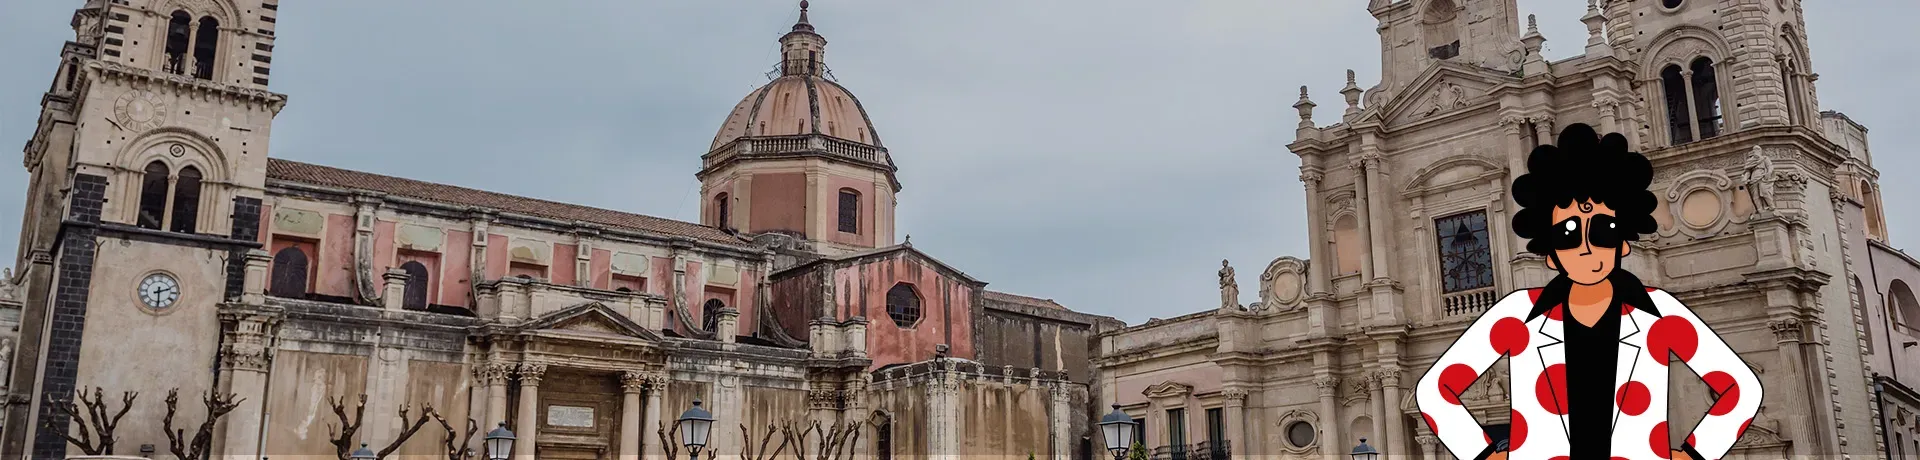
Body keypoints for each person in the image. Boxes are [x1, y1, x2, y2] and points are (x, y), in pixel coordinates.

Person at [1414, 124, 1761, 460]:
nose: (1585, 247)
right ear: (1550, 253)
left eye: (1604, 231)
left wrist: (1694, 454)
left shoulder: (1659, 313)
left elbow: (1742, 389)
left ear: (1623, 243)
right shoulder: (1517, 315)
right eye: (1567, 235)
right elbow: (1434, 392)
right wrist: (1485, 454)